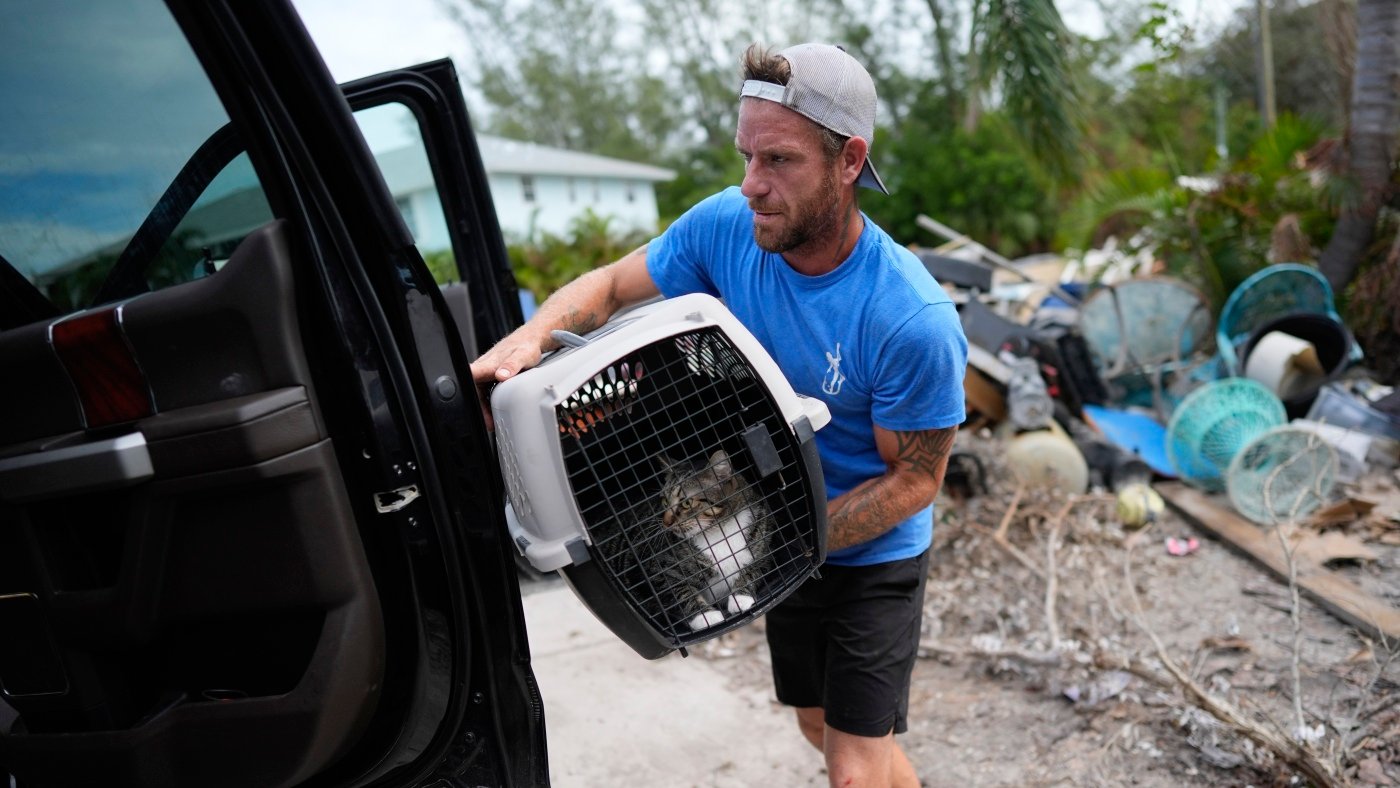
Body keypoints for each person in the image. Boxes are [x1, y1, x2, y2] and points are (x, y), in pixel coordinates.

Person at [471, 42, 967, 788]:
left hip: (871, 553)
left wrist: (794, 541)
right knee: (814, 721)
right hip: (777, 537)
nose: (752, 185)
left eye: (779, 162)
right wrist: (526, 341)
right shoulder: (725, 227)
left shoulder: (910, 319)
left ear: (849, 161)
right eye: (746, 156)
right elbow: (609, 286)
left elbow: (916, 482)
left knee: (853, 770)